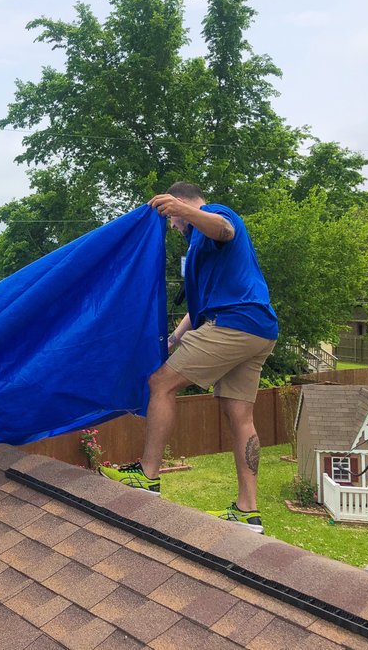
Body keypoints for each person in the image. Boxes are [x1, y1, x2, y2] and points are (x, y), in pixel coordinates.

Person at [101, 182, 278, 533]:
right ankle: (248, 511)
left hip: (235, 322)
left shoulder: (217, 215)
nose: (172, 225)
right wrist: (174, 339)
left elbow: (224, 229)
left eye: (173, 217)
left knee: (161, 382)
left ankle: (148, 476)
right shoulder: (197, 244)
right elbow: (200, 307)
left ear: (181, 203)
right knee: (238, 413)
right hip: (258, 329)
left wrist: (184, 212)